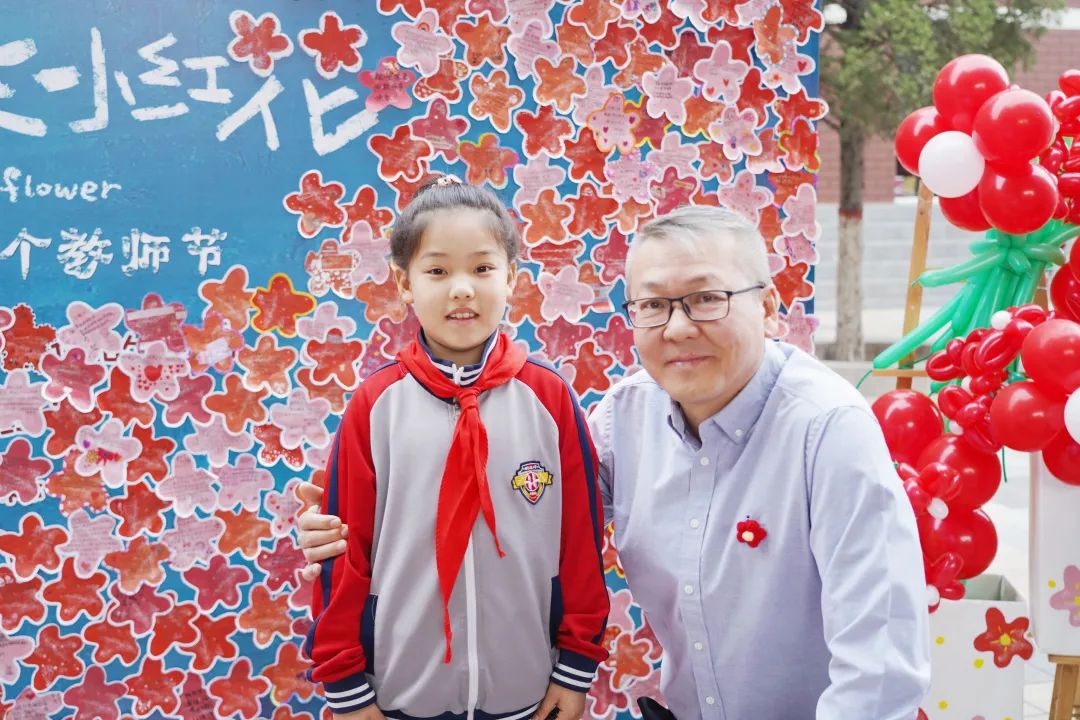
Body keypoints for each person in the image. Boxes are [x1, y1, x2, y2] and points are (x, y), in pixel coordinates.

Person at [298, 205, 931, 719]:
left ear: (767, 306)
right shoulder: (620, 420)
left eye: (706, 298)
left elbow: (878, 666)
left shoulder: (829, 431)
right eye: (653, 305)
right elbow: (541, 503)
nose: (678, 327)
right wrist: (353, 518)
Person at [303, 175, 609, 720]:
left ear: (512, 277)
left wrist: (576, 667)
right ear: (404, 283)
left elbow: (580, 540)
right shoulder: (375, 405)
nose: (462, 288)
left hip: (527, 688)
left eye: (483, 268)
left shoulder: (550, 397)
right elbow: (342, 553)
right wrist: (347, 686)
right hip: (401, 692)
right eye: (438, 271)